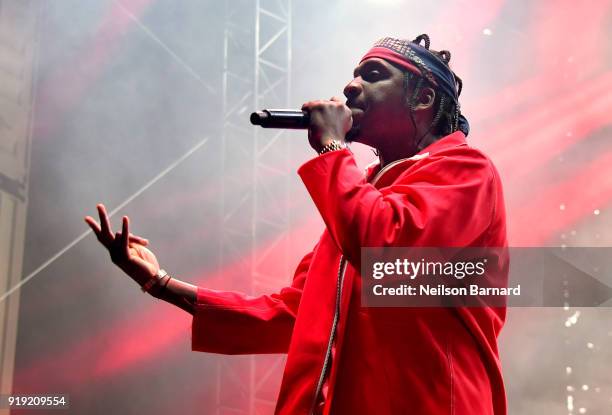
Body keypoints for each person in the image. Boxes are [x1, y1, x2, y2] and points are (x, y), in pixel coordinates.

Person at [85, 35, 508, 415]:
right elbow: (292, 314)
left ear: (423, 99)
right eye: (353, 75)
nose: (349, 87)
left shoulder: (466, 170)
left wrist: (332, 148)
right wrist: (160, 282)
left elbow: (385, 251)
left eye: (373, 74)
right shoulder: (358, 198)